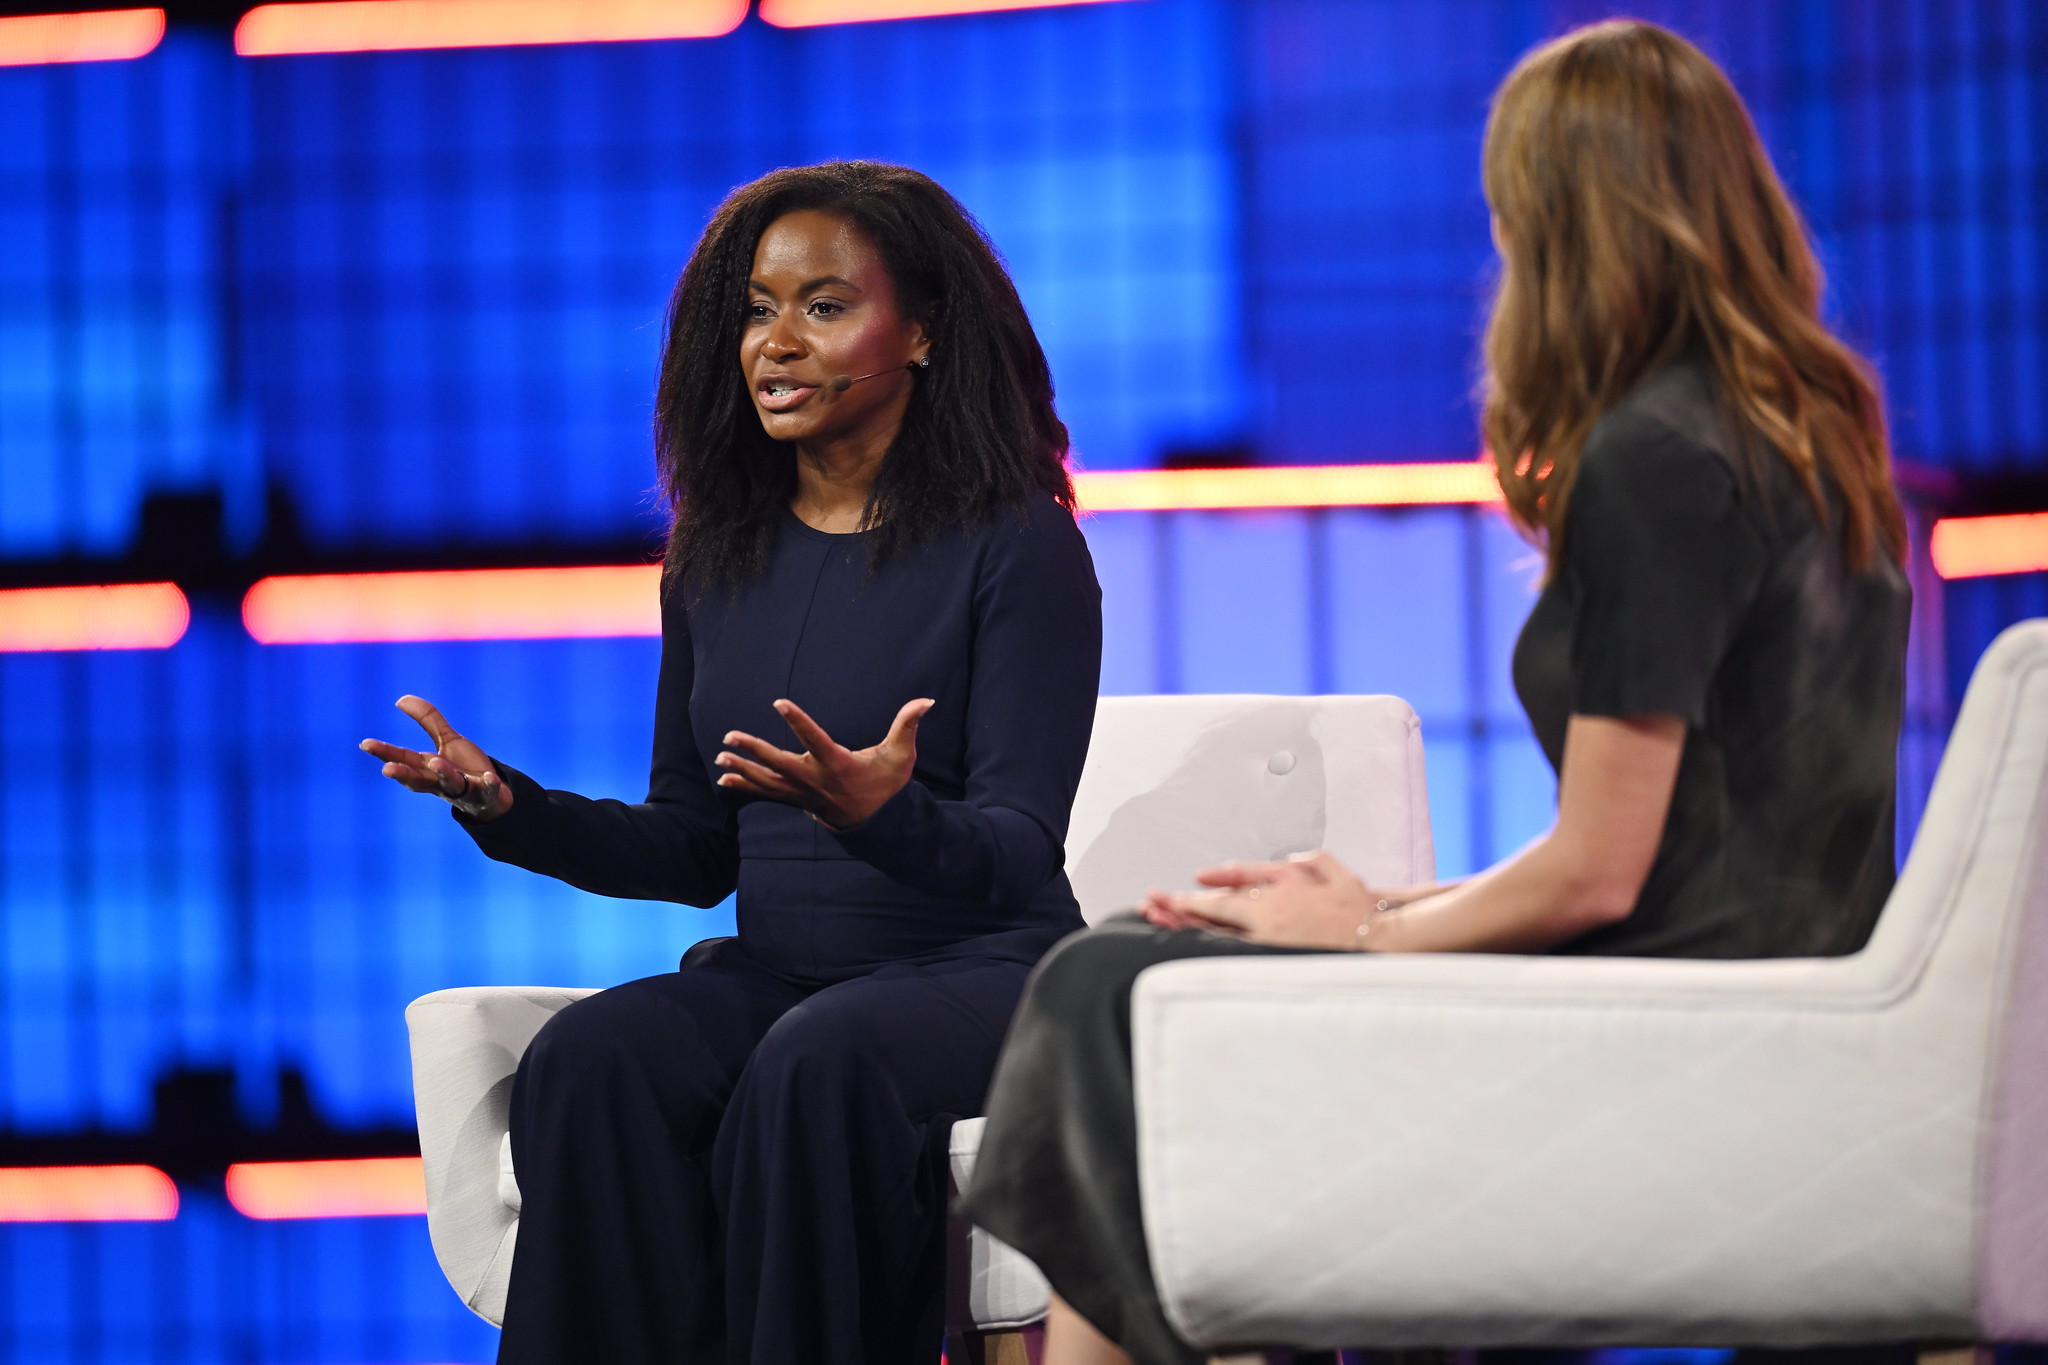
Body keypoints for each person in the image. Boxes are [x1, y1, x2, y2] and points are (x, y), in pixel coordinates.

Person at [956, 20, 1911, 1365]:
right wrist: (1387, 899)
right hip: (1761, 982)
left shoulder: (1653, 459)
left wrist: (1359, 940)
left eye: (1512, 222)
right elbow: (1686, 841)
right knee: (1166, 969)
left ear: (1565, 227)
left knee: (1111, 980)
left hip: (1668, 1019)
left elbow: (1601, 875)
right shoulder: (1813, 436)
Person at [361, 161, 1101, 1365]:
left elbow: (1016, 851)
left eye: (823, 307)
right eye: (757, 309)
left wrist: (882, 813)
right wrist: (510, 809)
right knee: (592, 1061)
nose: (777, 343)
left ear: (920, 332)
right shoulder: (715, 550)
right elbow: (695, 847)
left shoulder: (1018, 544)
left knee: (817, 1065)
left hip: (988, 969)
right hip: (785, 972)